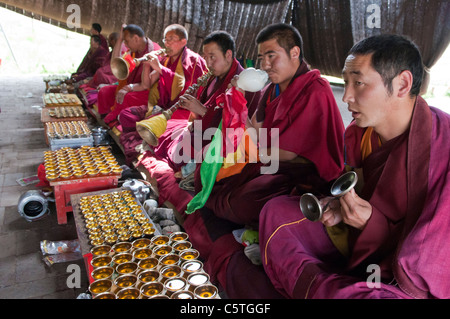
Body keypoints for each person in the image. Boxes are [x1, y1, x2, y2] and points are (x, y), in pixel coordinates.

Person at [260, 34, 450, 299]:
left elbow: (426, 262)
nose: (347, 96)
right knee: (275, 211)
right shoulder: (359, 134)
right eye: (346, 82)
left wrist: (373, 224)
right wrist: (338, 208)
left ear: (402, 84)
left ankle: (317, 282)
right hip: (355, 242)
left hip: (396, 270)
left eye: (358, 83)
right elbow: (357, 189)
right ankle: (327, 284)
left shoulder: (443, 145)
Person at [181, 23, 346, 298]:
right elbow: (254, 128)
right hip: (270, 160)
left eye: (272, 55)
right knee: (208, 177)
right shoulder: (273, 89)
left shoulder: (315, 89)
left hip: (303, 175)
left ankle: (247, 221)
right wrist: (239, 101)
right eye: (261, 58)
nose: (265, 64)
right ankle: (240, 218)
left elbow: (288, 153)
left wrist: (248, 147)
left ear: (295, 53)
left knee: (245, 198)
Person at [118, 24, 208, 162]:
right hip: (162, 106)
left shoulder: (193, 60)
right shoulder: (166, 59)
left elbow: (184, 88)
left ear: (183, 42)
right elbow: (147, 83)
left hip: (182, 109)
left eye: (171, 39)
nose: (167, 43)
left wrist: (160, 68)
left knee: (148, 124)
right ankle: (137, 145)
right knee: (126, 115)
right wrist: (147, 65)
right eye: (165, 40)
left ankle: (140, 147)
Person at [97, 24, 161, 123]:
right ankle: (105, 122)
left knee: (126, 96)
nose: (125, 45)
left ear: (136, 38)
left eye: (126, 41)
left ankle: (114, 121)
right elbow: (115, 64)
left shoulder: (154, 52)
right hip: (133, 87)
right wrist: (120, 39)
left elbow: (148, 84)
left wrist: (129, 88)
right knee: (104, 91)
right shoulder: (133, 52)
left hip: (147, 92)